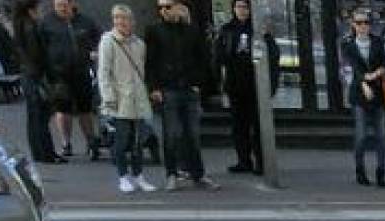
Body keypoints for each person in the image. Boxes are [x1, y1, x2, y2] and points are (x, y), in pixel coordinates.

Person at [145, 0, 216, 190]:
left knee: (193, 134)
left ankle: (197, 173)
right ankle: (172, 174)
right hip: (168, 88)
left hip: (189, 87)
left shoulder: (192, 30)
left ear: (178, 7)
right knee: (172, 134)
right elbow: (150, 61)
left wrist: (198, 83)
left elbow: (203, 58)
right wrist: (154, 88)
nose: (164, 11)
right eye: (160, 8)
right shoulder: (154, 30)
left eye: (168, 7)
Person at [96, 4, 155, 192]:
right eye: (116, 18)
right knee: (121, 141)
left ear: (132, 21)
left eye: (124, 18)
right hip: (119, 99)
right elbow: (103, 72)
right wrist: (108, 97)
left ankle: (138, 175)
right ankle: (123, 177)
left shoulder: (139, 44)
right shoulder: (108, 41)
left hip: (138, 98)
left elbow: (143, 71)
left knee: (138, 141)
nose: (120, 21)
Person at [214, 0, 276, 174]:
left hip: (255, 83)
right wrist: (219, 79)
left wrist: (271, 83)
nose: (242, 10)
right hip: (235, 83)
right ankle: (243, 160)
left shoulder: (258, 29)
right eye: (238, 7)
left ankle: (261, 161)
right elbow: (219, 55)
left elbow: (272, 54)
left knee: (257, 125)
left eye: (245, 7)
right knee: (239, 125)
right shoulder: (227, 30)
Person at [36, 0, 100, 159]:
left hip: (82, 70)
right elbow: (40, 46)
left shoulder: (85, 21)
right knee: (63, 109)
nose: (61, 8)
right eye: (58, 5)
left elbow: (99, 39)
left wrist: (95, 51)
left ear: (72, 4)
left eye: (64, 5)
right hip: (58, 73)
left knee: (85, 108)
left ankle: (91, 142)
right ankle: (66, 143)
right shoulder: (47, 23)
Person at [341, 9, 385, 186]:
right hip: (359, 96)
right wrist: (364, 83)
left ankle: (381, 172)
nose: (363, 26)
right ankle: (360, 171)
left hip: (378, 94)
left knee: (381, 137)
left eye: (366, 23)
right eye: (359, 23)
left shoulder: (377, 42)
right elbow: (352, 67)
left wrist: (376, 74)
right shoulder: (348, 44)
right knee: (361, 136)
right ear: (353, 25)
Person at [8, 0, 60, 162]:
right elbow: (38, 53)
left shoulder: (20, 25)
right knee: (41, 116)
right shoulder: (31, 27)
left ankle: (39, 153)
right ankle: (47, 153)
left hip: (28, 73)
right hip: (36, 74)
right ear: (32, 9)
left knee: (34, 116)